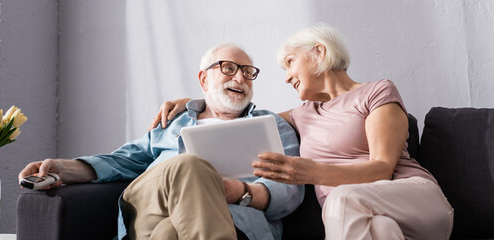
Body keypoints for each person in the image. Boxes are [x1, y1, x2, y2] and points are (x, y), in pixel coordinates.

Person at [150, 26, 454, 239]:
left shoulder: (376, 92)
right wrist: (196, 104)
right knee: (382, 232)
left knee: (341, 200)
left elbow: (382, 169)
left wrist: (313, 172)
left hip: (415, 201)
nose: (286, 77)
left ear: (319, 52)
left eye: (290, 62)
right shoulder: (303, 113)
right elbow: (238, 116)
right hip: (369, 220)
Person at [19, 43, 303, 240]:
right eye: (228, 68)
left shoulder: (272, 126)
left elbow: (289, 191)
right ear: (204, 79)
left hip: (232, 222)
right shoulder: (174, 122)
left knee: (169, 232)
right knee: (189, 165)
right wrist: (61, 168)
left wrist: (240, 191)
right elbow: (121, 160)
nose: (240, 77)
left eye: (248, 72)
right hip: (151, 206)